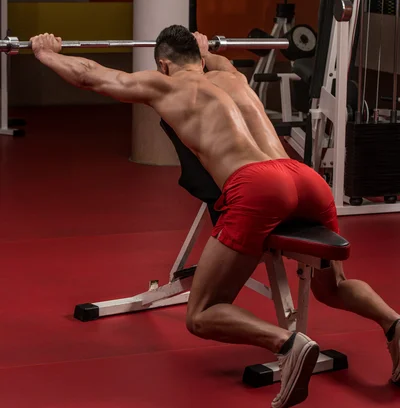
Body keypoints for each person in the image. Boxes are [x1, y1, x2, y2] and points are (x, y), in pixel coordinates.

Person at [31, 26, 400, 408]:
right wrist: (208, 48)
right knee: (332, 287)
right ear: (200, 57)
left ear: (163, 63)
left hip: (258, 187)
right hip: (305, 177)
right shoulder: (232, 76)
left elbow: (91, 76)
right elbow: (214, 59)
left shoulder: (165, 85)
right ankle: (395, 324)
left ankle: (289, 344)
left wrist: (47, 53)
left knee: (202, 313)